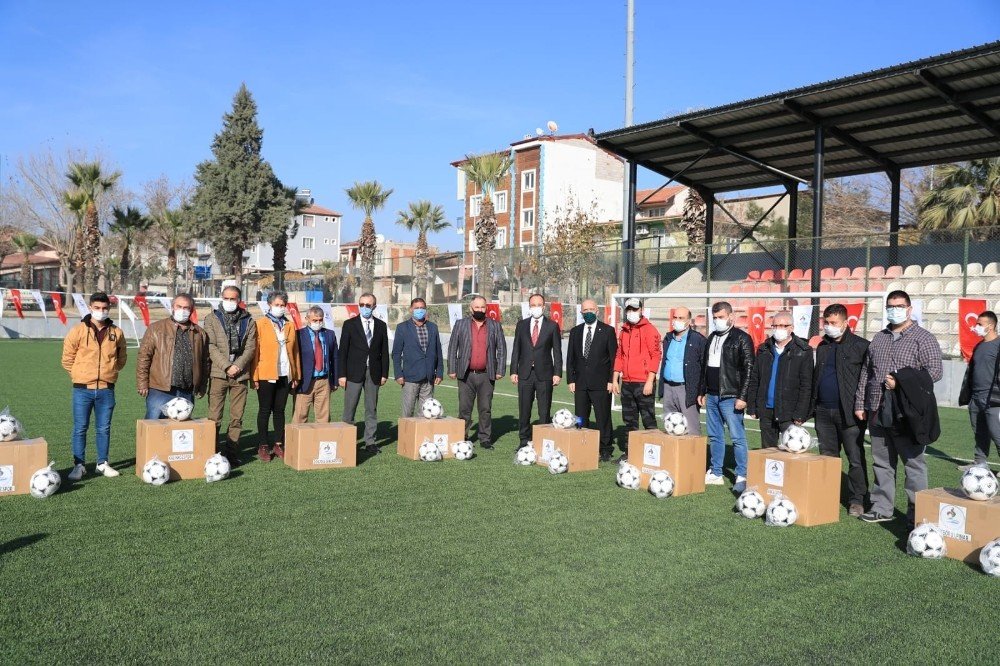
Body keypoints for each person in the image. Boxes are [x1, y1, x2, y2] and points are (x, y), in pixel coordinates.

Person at [855, 290, 943, 527]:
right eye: (890, 306)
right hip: (877, 407)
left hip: (907, 412)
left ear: (909, 308)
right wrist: (860, 404)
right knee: (882, 462)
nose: (895, 309)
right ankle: (882, 507)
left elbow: (934, 371)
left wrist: (902, 380)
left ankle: (917, 513)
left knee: (913, 464)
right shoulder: (879, 338)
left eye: (899, 305)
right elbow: (866, 372)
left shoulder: (923, 338)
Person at [62, 292, 127, 480]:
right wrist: (78, 375)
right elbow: (67, 359)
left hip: (107, 389)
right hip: (82, 390)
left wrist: (110, 371)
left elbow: (121, 359)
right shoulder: (78, 330)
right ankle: (79, 465)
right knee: (80, 428)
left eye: (105, 308)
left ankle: (102, 463)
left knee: (103, 428)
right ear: (90, 307)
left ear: (109, 308)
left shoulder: (117, 332)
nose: (101, 311)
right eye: (97, 308)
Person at [813, 303, 870, 517]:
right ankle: (829, 494)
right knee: (828, 457)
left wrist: (862, 405)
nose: (829, 327)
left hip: (850, 413)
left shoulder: (862, 346)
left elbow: (867, 379)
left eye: (833, 323)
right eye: (826, 323)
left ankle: (857, 499)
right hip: (823, 411)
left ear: (846, 323)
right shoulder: (822, 346)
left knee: (855, 457)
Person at [698, 301, 754, 489]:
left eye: (721, 317)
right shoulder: (711, 337)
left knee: (737, 437)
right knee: (715, 436)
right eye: (714, 318)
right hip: (712, 395)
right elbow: (704, 367)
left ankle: (742, 475)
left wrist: (743, 396)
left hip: (731, 396)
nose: (717, 321)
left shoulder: (742, 338)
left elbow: (748, 369)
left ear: (731, 317)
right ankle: (716, 472)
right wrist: (702, 391)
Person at [204, 286, 258, 465]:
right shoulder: (211, 318)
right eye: (226, 298)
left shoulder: (248, 320)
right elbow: (210, 346)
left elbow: (250, 347)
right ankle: (211, 452)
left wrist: (237, 366)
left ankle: (232, 453)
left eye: (233, 299)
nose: (229, 302)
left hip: (240, 376)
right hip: (219, 374)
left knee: (236, 417)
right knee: (214, 417)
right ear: (221, 298)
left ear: (239, 300)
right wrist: (227, 366)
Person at [747, 311, 814, 451]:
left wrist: (800, 413)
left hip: (789, 412)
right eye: (775, 325)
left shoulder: (803, 350)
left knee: (791, 451)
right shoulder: (763, 349)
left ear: (792, 327)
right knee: (767, 452)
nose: (779, 329)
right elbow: (755, 379)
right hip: (766, 411)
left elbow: (806, 385)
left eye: (783, 325)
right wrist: (752, 406)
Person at [136, 293, 209, 420]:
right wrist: (142, 383)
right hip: (160, 389)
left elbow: (205, 361)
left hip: (186, 390)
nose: (182, 310)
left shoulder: (199, 333)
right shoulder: (156, 328)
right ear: (172, 307)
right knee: (154, 425)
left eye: (186, 308)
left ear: (191, 310)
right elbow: (144, 357)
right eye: (179, 306)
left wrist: (202, 385)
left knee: (180, 432)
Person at [448, 296, 507, 449]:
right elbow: (453, 347)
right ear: (471, 308)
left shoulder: (494, 326)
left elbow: (501, 348)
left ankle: (484, 438)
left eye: (482, 307)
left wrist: (500, 370)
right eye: (477, 307)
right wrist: (452, 369)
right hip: (465, 374)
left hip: (487, 374)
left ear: (486, 309)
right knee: (464, 409)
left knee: (485, 409)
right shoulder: (460, 324)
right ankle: (462, 436)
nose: (480, 310)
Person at [338, 292, 389, 455]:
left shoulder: (381, 325)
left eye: (368, 305)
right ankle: (346, 441)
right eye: (361, 305)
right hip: (353, 373)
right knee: (349, 409)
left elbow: (384, 351)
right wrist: (342, 374)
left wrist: (384, 374)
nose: (364, 308)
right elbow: (343, 351)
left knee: (371, 408)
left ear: (374, 306)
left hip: (373, 373)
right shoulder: (349, 324)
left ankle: (370, 442)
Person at [510, 293, 563, 450]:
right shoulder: (521, 325)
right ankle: (523, 440)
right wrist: (514, 370)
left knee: (544, 410)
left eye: (539, 305)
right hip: (525, 373)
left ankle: (543, 441)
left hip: (545, 374)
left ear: (544, 306)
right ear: (529, 306)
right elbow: (516, 350)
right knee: (524, 408)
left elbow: (557, 352)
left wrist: (557, 373)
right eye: (533, 305)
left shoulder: (552, 326)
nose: (536, 308)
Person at [566, 299, 617, 461]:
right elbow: (570, 358)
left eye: (591, 309)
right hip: (580, 383)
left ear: (597, 311)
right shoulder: (575, 331)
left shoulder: (608, 331)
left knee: (603, 417)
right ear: (581, 312)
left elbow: (613, 358)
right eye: (585, 310)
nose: (588, 312)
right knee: (580, 417)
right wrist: (571, 379)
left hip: (601, 383)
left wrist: (611, 380)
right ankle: (583, 445)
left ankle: (605, 448)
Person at [253, 291, 300, 461]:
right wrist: (255, 376)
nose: (280, 308)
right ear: (269, 305)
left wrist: (295, 375)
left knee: (280, 410)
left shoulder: (290, 325)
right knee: (265, 410)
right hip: (266, 374)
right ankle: (263, 445)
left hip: (285, 374)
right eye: (277, 305)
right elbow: (255, 352)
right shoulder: (260, 324)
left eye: (282, 305)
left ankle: (278, 444)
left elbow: (295, 352)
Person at [613, 298, 662, 461]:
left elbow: (656, 356)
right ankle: (630, 453)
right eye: (629, 309)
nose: (631, 312)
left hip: (643, 382)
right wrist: (615, 379)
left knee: (648, 419)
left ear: (641, 309)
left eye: (635, 309)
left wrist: (650, 380)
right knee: (629, 421)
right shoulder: (623, 331)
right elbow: (619, 355)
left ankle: (654, 454)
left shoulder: (650, 330)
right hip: (626, 383)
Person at [958, 310, 1000, 468]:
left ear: (990, 326)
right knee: (979, 433)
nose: (976, 327)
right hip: (976, 398)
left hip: (994, 399)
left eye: (979, 324)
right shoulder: (979, 346)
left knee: (997, 434)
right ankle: (980, 463)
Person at [657, 306, 706, 437]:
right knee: (670, 427)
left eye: (681, 318)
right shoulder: (668, 338)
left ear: (689, 321)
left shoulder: (698, 340)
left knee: (691, 429)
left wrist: (701, 391)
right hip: (668, 388)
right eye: (675, 317)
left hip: (686, 389)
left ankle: (693, 456)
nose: (677, 320)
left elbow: (703, 367)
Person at [392, 298, 443, 417]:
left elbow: (438, 351)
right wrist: (398, 374)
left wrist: (439, 372)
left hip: (428, 378)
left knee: (425, 414)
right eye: (416, 308)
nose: (419, 310)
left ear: (425, 310)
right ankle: (406, 436)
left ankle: (421, 436)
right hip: (410, 377)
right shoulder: (402, 328)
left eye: (422, 308)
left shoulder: (433, 327)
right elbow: (396, 353)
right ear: (411, 309)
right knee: (407, 413)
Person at [293, 306, 338, 424]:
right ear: (307, 319)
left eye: (320, 320)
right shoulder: (298, 335)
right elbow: (294, 359)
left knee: (324, 417)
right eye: (314, 320)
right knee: (300, 416)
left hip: (324, 381)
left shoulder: (329, 334)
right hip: (305, 381)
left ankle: (321, 441)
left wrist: (335, 380)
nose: (318, 323)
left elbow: (335, 358)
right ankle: (297, 442)